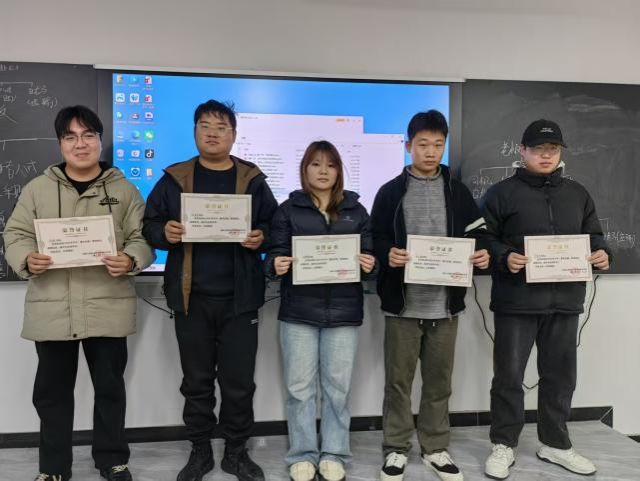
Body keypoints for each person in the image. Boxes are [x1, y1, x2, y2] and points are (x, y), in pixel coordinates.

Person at [3, 105, 154, 481]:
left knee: (110, 390)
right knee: (51, 394)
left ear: (100, 140)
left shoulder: (123, 190)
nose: (80, 144)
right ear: (60, 143)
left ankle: (113, 460)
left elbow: (142, 238)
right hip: (52, 308)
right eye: (70, 136)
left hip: (107, 306)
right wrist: (27, 258)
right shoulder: (37, 189)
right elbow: (15, 234)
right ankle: (54, 468)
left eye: (88, 135)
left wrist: (131, 259)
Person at [142, 100, 277, 481]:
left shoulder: (252, 179)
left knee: (239, 383)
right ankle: (200, 451)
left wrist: (261, 236)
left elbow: (274, 225)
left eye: (221, 127)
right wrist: (164, 233)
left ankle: (236, 452)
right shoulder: (175, 178)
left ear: (233, 134)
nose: (213, 133)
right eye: (205, 126)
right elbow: (149, 225)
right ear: (195, 132)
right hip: (191, 299)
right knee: (196, 382)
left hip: (239, 301)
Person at [481, 119, 610, 480]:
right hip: (516, 302)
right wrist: (504, 256)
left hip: (565, 301)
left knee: (560, 377)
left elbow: (594, 235)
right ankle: (503, 444)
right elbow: (482, 239)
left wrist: (602, 253)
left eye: (552, 149)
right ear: (522, 151)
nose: (546, 155)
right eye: (538, 149)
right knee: (508, 377)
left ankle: (555, 444)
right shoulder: (500, 193)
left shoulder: (578, 193)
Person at [371, 110, 490, 481]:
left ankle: (435, 448)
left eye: (438, 144)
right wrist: (387, 254)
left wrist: (482, 253)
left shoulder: (458, 191)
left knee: (439, 382)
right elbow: (375, 238)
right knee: (398, 383)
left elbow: (479, 234)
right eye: (423, 144)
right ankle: (395, 448)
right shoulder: (390, 191)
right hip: (402, 306)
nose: (430, 151)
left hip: (445, 306)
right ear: (408, 145)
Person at [266, 140, 376, 481]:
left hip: (344, 312)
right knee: (299, 389)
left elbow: (371, 257)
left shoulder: (357, 210)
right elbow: (273, 254)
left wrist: (370, 264)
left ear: (339, 170)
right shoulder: (287, 210)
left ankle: (334, 453)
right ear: (305, 169)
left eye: (330, 164)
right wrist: (275, 264)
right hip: (298, 312)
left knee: (337, 389)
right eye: (316, 164)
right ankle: (301, 454)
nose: (323, 170)